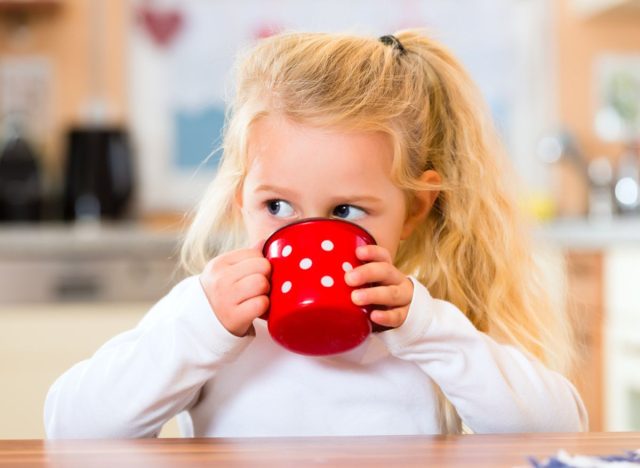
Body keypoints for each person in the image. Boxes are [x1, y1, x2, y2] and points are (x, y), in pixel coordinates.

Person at [44, 30, 587, 438]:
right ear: (241, 201)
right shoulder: (207, 326)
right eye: (275, 204)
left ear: (415, 210)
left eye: (346, 210)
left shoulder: (422, 332)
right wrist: (198, 329)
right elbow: (71, 428)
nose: (306, 234)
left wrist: (427, 329)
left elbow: (560, 429)